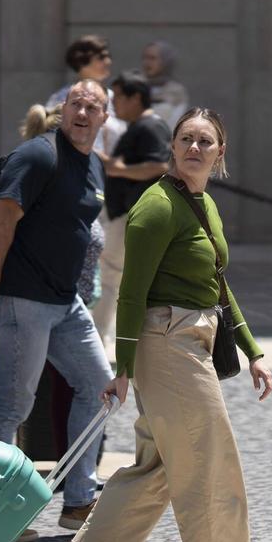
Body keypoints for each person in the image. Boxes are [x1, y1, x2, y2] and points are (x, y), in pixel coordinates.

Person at [33, 107, 272, 542]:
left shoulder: (204, 204)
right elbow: (132, 293)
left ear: (220, 152)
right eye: (185, 139)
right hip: (167, 346)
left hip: (194, 341)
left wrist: (253, 351)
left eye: (204, 141)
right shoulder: (156, 206)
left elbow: (218, 282)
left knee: (159, 469)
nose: (193, 148)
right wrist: (121, 367)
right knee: (209, 461)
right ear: (172, 148)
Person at [0, 80, 115, 532]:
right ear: (63, 109)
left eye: (93, 106)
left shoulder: (93, 163)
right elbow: (0, 219)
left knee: (100, 390)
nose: (84, 111)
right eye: (77, 103)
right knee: (14, 404)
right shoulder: (38, 155)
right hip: (23, 299)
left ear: (104, 119)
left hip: (65, 301)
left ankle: (78, 501)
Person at [92, 71, 172, 354]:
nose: (116, 107)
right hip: (127, 215)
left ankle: (98, 341)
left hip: (131, 216)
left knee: (109, 277)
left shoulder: (149, 127)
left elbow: (160, 165)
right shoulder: (142, 126)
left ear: (135, 98)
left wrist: (118, 168)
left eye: (120, 99)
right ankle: (106, 340)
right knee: (114, 278)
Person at [46, 34, 125, 154]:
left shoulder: (112, 96)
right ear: (82, 60)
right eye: (102, 57)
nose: (108, 61)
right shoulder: (61, 97)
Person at [140, 40, 189, 131]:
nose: (147, 63)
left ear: (165, 61)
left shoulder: (175, 92)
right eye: (145, 58)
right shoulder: (137, 87)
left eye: (152, 58)